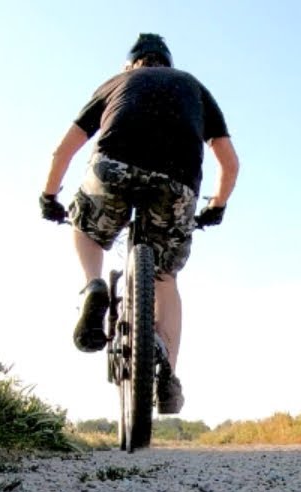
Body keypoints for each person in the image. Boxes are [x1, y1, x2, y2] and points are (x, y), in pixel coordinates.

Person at [39, 33, 238, 414]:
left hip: (112, 168)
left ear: (132, 64)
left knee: (87, 227)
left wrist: (49, 198)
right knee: (164, 276)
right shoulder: (193, 87)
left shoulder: (117, 83)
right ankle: (169, 375)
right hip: (177, 182)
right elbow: (229, 162)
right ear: (167, 63)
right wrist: (217, 206)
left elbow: (63, 150)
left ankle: (94, 285)